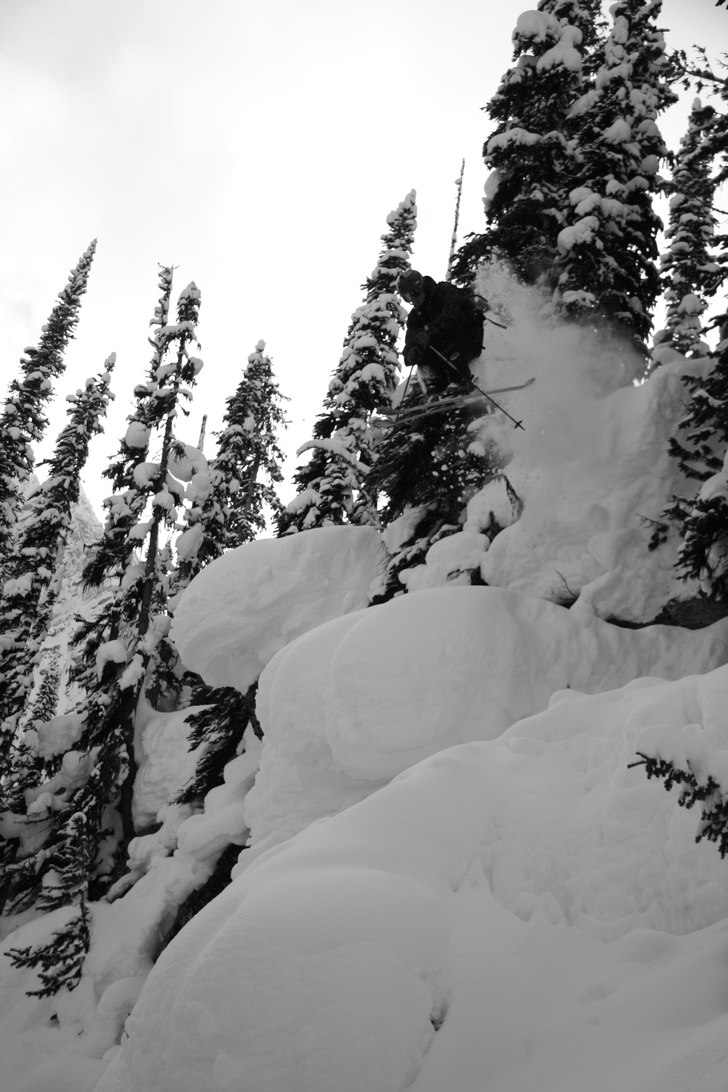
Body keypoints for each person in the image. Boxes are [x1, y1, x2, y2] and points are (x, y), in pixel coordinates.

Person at [398, 269, 485, 396]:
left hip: (469, 338)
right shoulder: (415, 317)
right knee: (422, 350)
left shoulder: (443, 291)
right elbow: (411, 339)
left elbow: (451, 314)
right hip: (447, 354)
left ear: (420, 287)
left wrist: (429, 331)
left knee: (438, 337)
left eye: (413, 294)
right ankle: (436, 389)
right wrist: (410, 353)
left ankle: (461, 381)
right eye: (407, 297)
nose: (412, 300)